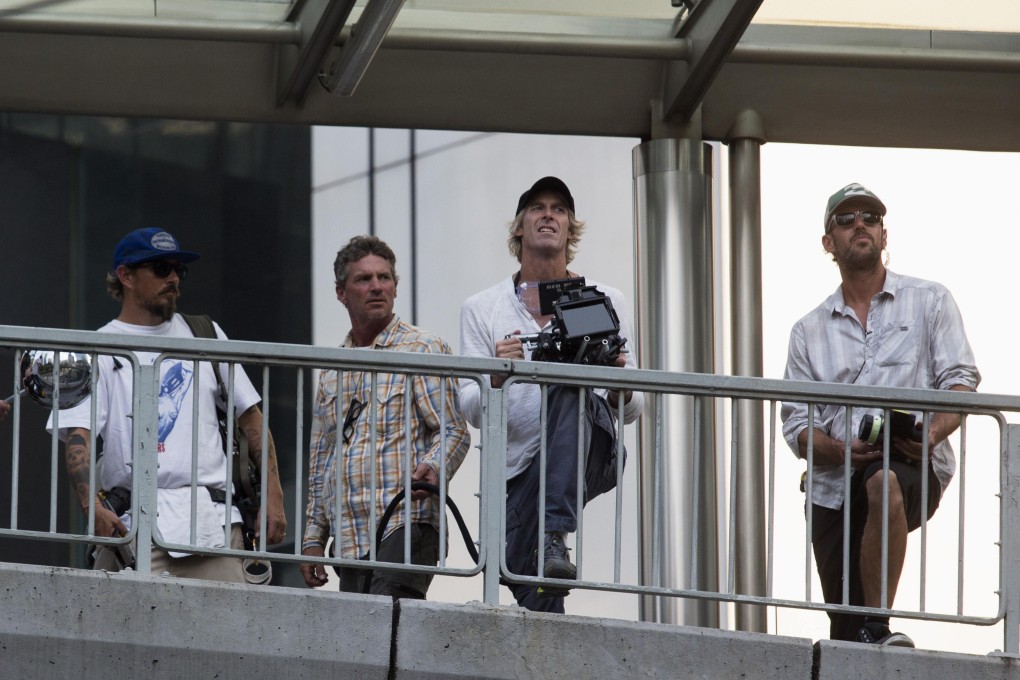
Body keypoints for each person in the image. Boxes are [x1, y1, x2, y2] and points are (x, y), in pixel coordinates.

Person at [780, 183, 980, 647]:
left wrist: (929, 434)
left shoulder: (930, 299)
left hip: (911, 460)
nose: (860, 225)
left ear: (884, 234)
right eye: (846, 220)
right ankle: (864, 637)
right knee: (844, 632)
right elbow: (796, 428)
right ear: (829, 242)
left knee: (882, 481)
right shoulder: (807, 331)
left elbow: (962, 381)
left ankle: (880, 625)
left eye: (869, 216)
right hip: (832, 485)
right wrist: (839, 450)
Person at [49, 227, 287, 582]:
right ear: (125, 276)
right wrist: (91, 506)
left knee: (225, 635)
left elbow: (250, 417)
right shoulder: (95, 347)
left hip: (213, 525)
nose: (174, 278)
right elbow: (77, 436)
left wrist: (275, 497)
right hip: (132, 530)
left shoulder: (205, 332)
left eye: (179, 269)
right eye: (161, 268)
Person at [459, 176, 643, 613]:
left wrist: (618, 381)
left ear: (569, 228)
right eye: (537, 207)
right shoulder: (482, 307)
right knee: (534, 587)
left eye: (559, 209)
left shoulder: (606, 299)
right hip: (520, 470)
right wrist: (496, 377)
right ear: (520, 227)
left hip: (592, 451)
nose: (548, 214)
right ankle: (550, 547)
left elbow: (635, 407)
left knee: (565, 382)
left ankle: (554, 534)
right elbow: (469, 407)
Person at [300, 235, 470, 599]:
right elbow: (322, 461)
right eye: (364, 279)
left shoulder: (422, 348)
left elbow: (454, 430)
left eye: (385, 277)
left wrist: (433, 466)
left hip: (406, 522)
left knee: (386, 631)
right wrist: (314, 537)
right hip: (349, 538)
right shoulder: (333, 370)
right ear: (341, 293)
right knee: (360, 643)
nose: (377, 287)